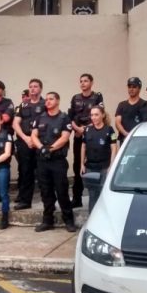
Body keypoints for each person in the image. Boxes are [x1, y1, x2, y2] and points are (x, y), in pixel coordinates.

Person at [32, 92, 78, 233]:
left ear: (58, 101)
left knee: (62, 191)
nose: (48, 101)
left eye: (51, 99)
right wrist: (41, 148)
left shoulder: (64, 118)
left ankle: (69, 221)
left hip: (57, 160)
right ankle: (47, 221)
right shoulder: (40, 118)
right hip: (42, 160)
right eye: (46, 99)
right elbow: (33, 135)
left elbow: (64, 138)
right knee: (46, 192)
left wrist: (50, 149)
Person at [68, 73, 104, 208]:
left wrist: (86, 129)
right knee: (78, 166)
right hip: (78, 135)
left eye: (86, 81)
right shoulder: (75, 98)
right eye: (81, 81)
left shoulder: (97, 97)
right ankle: (76, 198)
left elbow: (100, 115)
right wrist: (78, 129)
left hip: (93, 136)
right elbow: (70, 117)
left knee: (94, 165)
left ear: (91, 82)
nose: (83, 83)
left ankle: (97, 198)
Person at [12, 78, 45, 210]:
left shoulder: (46, 104)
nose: (32, 89)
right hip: (25, 143)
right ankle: (25, 201)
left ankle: (47, 201)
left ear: (40, 89)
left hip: (40, 143)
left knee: (43, 173)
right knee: (26, 172)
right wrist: (26, 138)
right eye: (30, 86)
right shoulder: (23, 106)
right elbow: (15, 123)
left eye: (35, 86)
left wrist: (34, 140)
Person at [81, 106, 118, 213]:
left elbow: (114, 147)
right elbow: (83, 146)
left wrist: (111, 166)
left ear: (102, 115)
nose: (94, 117)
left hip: (104, 167)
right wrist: (82, 164)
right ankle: (91, 219)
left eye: (96, 114)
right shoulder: (87, 130)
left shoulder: (110, 130)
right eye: (92, 115)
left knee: (104, 194)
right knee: (92, 195)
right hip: (90, 167)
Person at [115, 77, 146, 144]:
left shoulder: (145, 104)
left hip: (140, 139)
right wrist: (126, 134)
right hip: (124, 140)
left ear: (139, 88)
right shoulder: (122, 104)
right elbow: (117, 122)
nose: (131, 89)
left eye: (134, 87)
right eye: (129, 86)